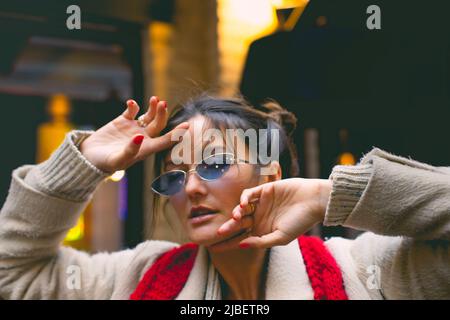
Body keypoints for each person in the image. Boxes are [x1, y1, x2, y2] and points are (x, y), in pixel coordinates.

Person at [0, 95, 449, 300]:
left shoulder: (365, 272)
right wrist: (83, 165)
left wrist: (333, 193)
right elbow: (12, 276)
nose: (191, 188)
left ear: (269, 173)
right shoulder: (132, 278)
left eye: (214, 165)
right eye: (173, 179)